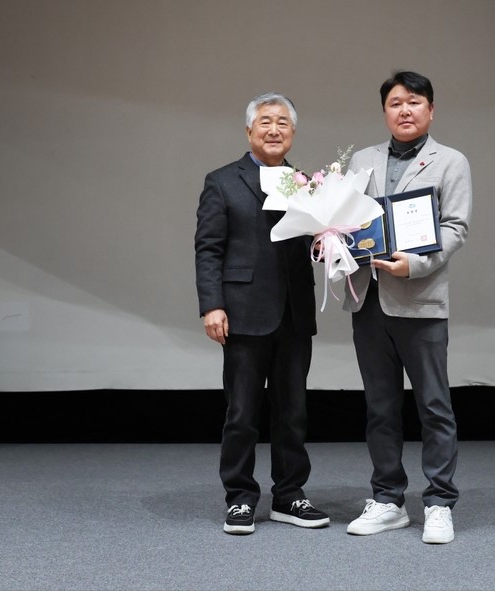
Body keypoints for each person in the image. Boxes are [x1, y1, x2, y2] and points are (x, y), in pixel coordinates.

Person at [343, 71, 472, 544]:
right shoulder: (362, 160)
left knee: (434, 406)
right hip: (369, 299)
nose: (404, 110)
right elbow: (344, 220)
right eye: (395, 102)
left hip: (421, 300)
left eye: (414, 102)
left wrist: (414, 265)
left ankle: (439, 502)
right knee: (380, 407)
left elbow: (455, 227)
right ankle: (388, 499)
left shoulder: (451, 161)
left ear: (431, 110)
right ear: (385, 112)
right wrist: (332, 243)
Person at [194, 92, 329, 535]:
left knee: (293, 412)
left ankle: (290, 495)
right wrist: (212, 305)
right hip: (243, 313)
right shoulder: (222, 181)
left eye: (283, 123)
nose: (274, 130)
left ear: (293, 132)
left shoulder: (305, 183)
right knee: (242, 412)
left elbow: (309, 243)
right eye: (266, 122)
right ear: (249, 131)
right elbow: (208, 248)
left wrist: (329, 242)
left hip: (294, 313)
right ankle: (240, 497)